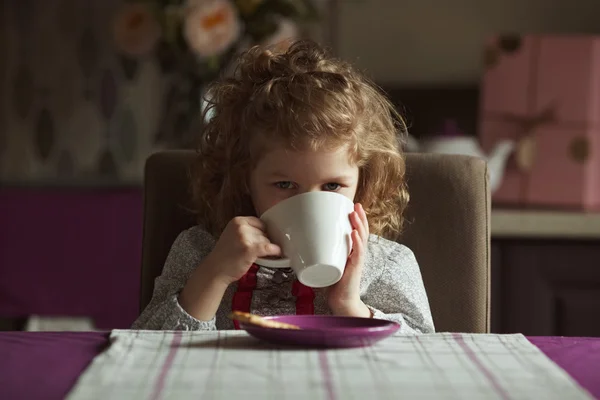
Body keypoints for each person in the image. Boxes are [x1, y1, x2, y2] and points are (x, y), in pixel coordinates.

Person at [133, 40, 435, 334]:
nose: (307, 204)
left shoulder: (386, 263)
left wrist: (349, 305)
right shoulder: (200, 250)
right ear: (245, 180)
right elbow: (145, 351)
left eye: (332, 185)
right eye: (285, 184)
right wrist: (214, 274)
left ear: (362, 181)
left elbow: (425, 355)